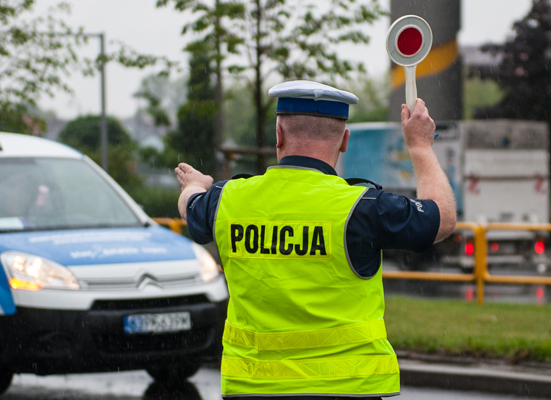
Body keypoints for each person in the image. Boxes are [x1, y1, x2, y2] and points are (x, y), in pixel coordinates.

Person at [175, 80, 456, 399]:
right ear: (344, 141)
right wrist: (421, 147)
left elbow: (191, 206)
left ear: (279, 135)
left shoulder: (227, 199)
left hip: (254, 388)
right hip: (348, 389)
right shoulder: (362, 207)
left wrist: (196, 185)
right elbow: (441, 218)